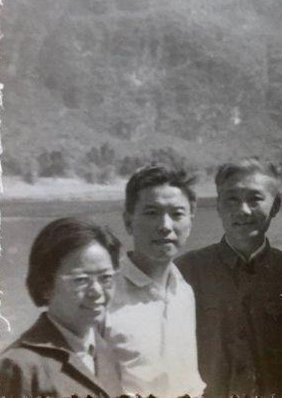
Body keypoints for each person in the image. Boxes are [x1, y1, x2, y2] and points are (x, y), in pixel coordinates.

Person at [177, 158, 282, 398]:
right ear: (218, 206)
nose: (243, 210)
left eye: (255, 199)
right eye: (231, 199)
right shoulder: (185, 271)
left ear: (276, 206)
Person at [104, 164, 205, 397]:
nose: (165, 226)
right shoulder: (104, 295)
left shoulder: (183, 290)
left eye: (177, 214)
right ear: (128, 221)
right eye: (151, 213)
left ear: (190, 221)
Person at [0, 218, 123, 398]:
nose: (96, 291)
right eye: (80, 280)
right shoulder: (18, 366)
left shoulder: (103, 350)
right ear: (46, 286)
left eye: (106, 278)